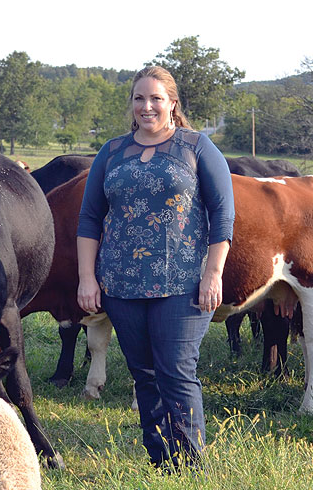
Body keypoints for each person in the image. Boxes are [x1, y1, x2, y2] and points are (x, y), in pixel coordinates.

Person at [76, 65, 235, 469]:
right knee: (144, 375)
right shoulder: (111, 152)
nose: (147, 107)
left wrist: (213, 272)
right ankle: (160, 461)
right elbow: (90, 219)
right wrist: (87, 277)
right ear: (131, 104)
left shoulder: (196, 146)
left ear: (172, 103)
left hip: (183, 284)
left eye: (156, 99)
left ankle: (190, 468)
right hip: (121, 285)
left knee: (177, 374)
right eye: (139, 98)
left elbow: (223, 215)